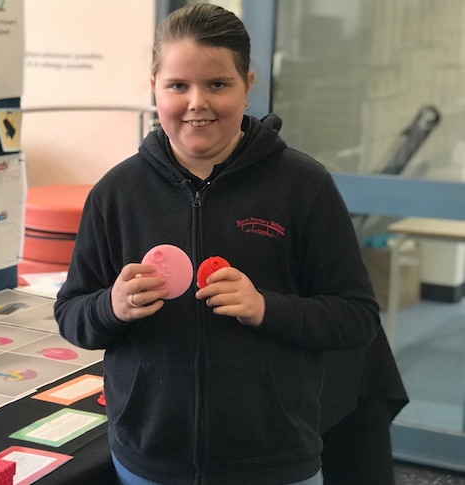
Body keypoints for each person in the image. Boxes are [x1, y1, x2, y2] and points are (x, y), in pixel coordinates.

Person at [54, 4, 382, 485]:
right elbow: (71, 316)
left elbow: (357, 319)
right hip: (150, 461)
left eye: (217, 85)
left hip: (274, 461)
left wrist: (265, 308)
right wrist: (112, 307)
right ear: (154, 88)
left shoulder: (303, 185)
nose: (196, 103)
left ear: (248, 85)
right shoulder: (116, 193)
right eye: (178, 85)